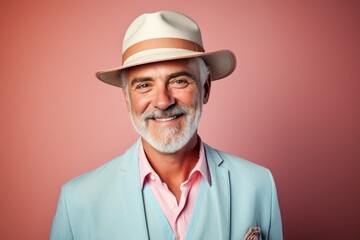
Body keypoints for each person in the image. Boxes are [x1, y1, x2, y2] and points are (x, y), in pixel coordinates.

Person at [50, 10, 283, 240]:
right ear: (127, 99)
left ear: (205, 88)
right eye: (144, 85)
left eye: (179, 81)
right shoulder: (78, 201)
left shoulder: (258, 185)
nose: (163, 101)